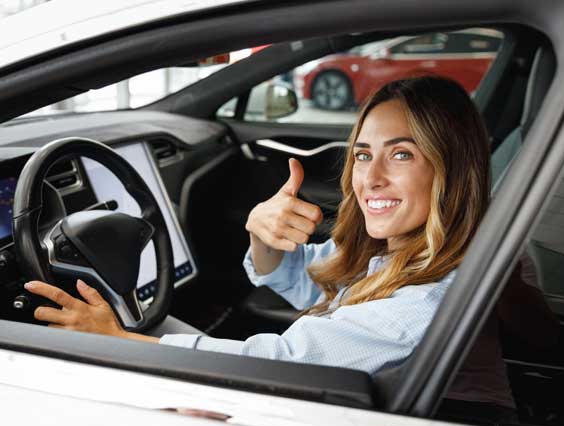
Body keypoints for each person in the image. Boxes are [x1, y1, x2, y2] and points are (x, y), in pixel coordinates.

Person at [25, 76, 490, 375]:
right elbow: (309, 276)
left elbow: (278, 365)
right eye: (364, 154)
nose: (370, 178)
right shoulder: (403, 253)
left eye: (402, 154)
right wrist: (261, 235)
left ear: (450, 169)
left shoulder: (420, 304)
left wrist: (119, 343)